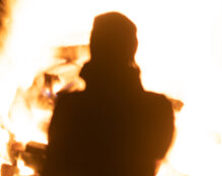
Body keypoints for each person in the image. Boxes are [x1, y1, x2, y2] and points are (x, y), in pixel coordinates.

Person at [44, 12, 175, 176]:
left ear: (94, 47)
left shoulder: (69, 109)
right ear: (132, 48)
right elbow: (158, 153)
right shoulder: (157, 110)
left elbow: (54, 165)